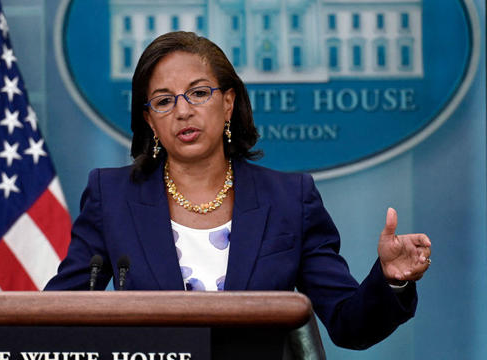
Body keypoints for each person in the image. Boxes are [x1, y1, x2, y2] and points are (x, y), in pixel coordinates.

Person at [45, 31, 432, 350]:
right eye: (164, 101)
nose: (183, 111)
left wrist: (391, 278)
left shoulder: (289, 200)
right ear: (149, 120)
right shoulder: (111, 197)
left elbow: (350, 325)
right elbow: (56, 317)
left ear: (228, 103)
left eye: (198, 93)